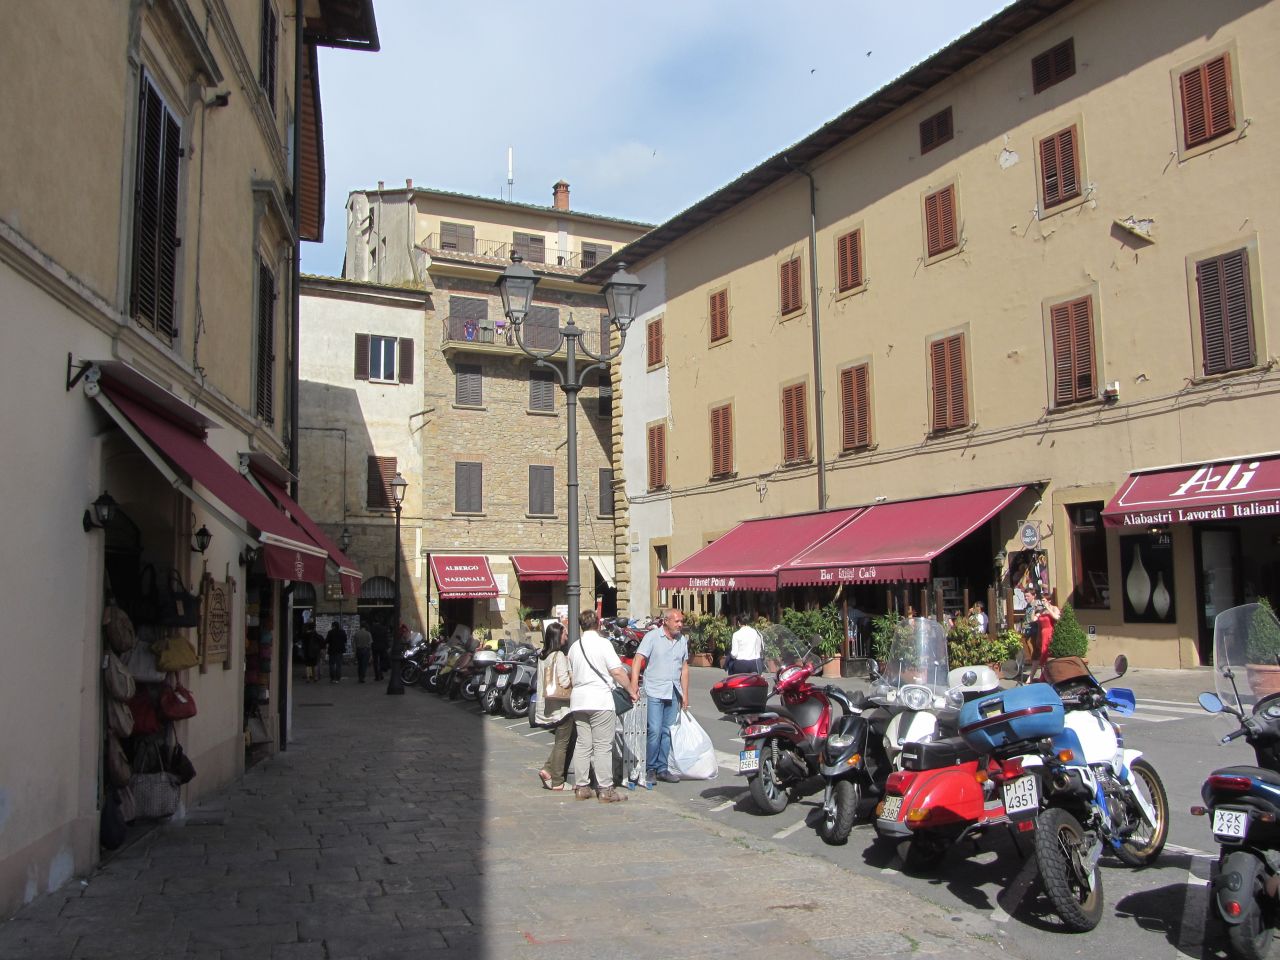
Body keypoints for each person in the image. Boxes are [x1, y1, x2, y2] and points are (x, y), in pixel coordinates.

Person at [567, 609, 633, 803]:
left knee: (583, 743)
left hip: (579, 700)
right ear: (597, 624)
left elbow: (571, 676)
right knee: (603, 745)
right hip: (600, 699)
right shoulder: (604, 644)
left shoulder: (574, 647)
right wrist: (631, 689)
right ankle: (605, 789)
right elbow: (617, 671)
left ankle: (582, 786)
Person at [629, 609, 690, 788]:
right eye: (677, 621)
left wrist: (685, 694)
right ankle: (650, 768)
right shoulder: (652, 637)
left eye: (681, 621)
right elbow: (637, 659)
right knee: (654, 731)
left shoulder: (682, 640)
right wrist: (634, 685)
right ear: (666, 621)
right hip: (654, 690)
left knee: (668, 731)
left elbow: (684, 667)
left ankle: (663, 768)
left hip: (673, 691)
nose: (680, 624)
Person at [535, 621, 575, 791]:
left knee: (561, 740)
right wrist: (573, 676)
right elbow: (564, 681)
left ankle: (548, 769)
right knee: (562, 742)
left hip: (549, 704)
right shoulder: (559, 656)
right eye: (565, 634)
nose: (567, 636)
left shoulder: (543, 656)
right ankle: (557, 780)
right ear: (558, 636)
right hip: (562, 705)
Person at [1022, 586, 1061, 677]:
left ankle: (1045, 675)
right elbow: (1032, 619)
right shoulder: (1036, 608)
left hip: (1046, 632)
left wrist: (1047, 608)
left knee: (1042, 654)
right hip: (1040, 633)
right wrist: (1033, 611)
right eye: (1025, 596)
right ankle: (1043, 675)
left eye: (1028, 596)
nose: (1026, 598)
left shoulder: (1051, 607)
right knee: (1040, 655)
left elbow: (1057, 617)